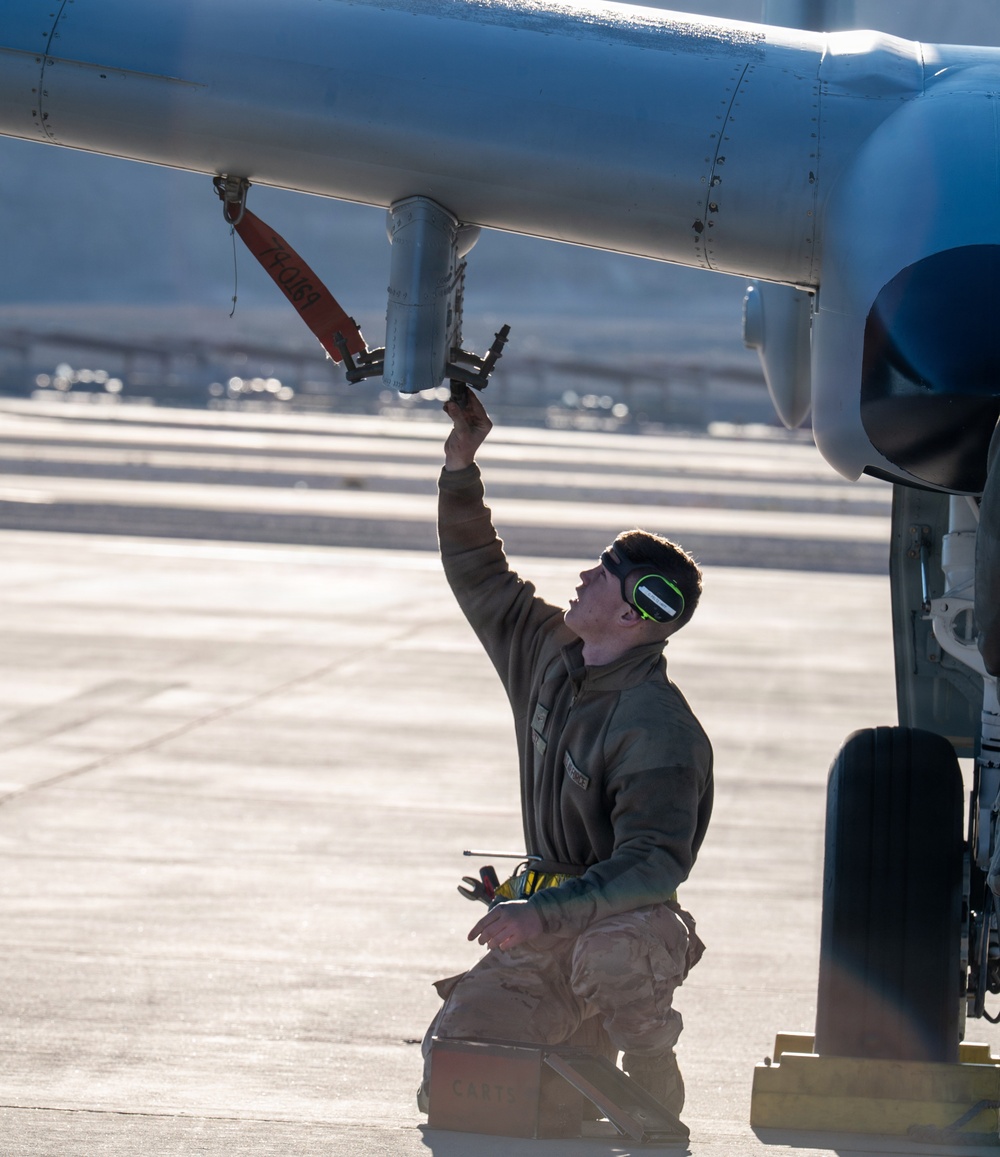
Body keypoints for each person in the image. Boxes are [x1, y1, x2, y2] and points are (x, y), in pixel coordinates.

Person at [419, 389, 714, 1121]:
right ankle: (576, 1047)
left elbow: (653, 865)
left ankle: (647, 1055)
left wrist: (543, 914)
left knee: (609, 955)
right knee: (459, 1074)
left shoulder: (658, 726)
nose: (583, 576)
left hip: (624, 924)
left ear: (633, 612)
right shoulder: (553, 654)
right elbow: (480, 574)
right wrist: (461, 465)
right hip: (549, 920)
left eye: (603, 572)